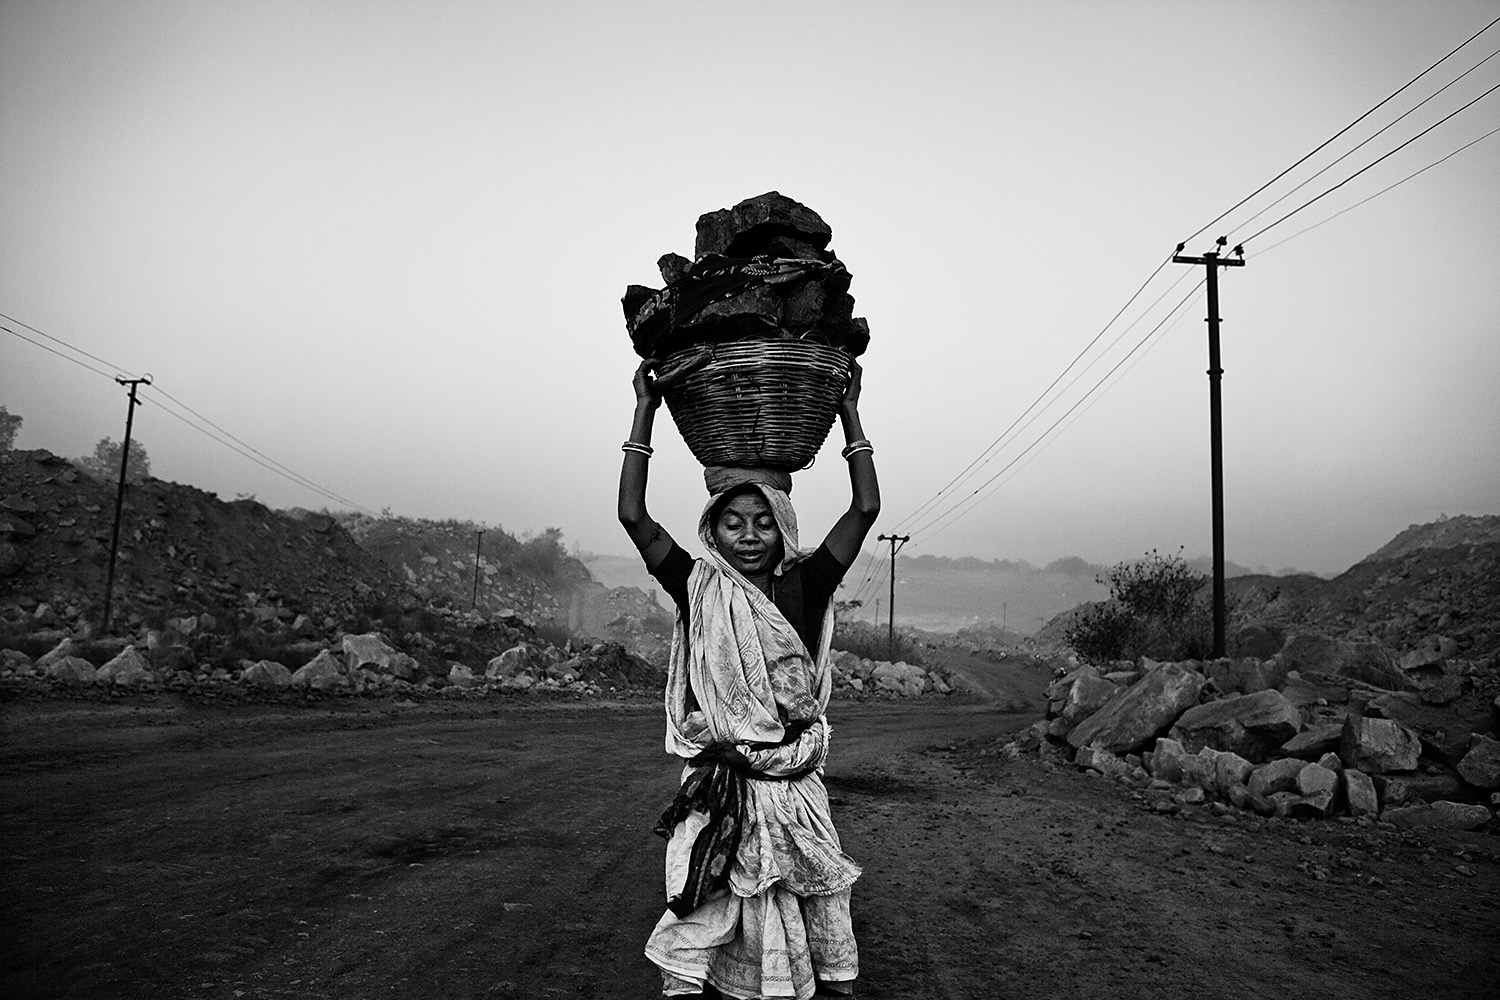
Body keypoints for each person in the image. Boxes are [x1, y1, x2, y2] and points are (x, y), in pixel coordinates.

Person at [618, 355, 880, 1000]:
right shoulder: (697, 588)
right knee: (711, 896)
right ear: (714, 530)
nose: (749, 536)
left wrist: (848, 414)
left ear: (783, 527)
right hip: (723, 775)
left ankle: (805, 981)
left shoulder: (807, 584)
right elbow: (633, 516)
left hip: (793, 775)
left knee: (806, 889)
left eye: (763, 522)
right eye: (733, 524)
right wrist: (645, 411)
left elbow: (866, 507)